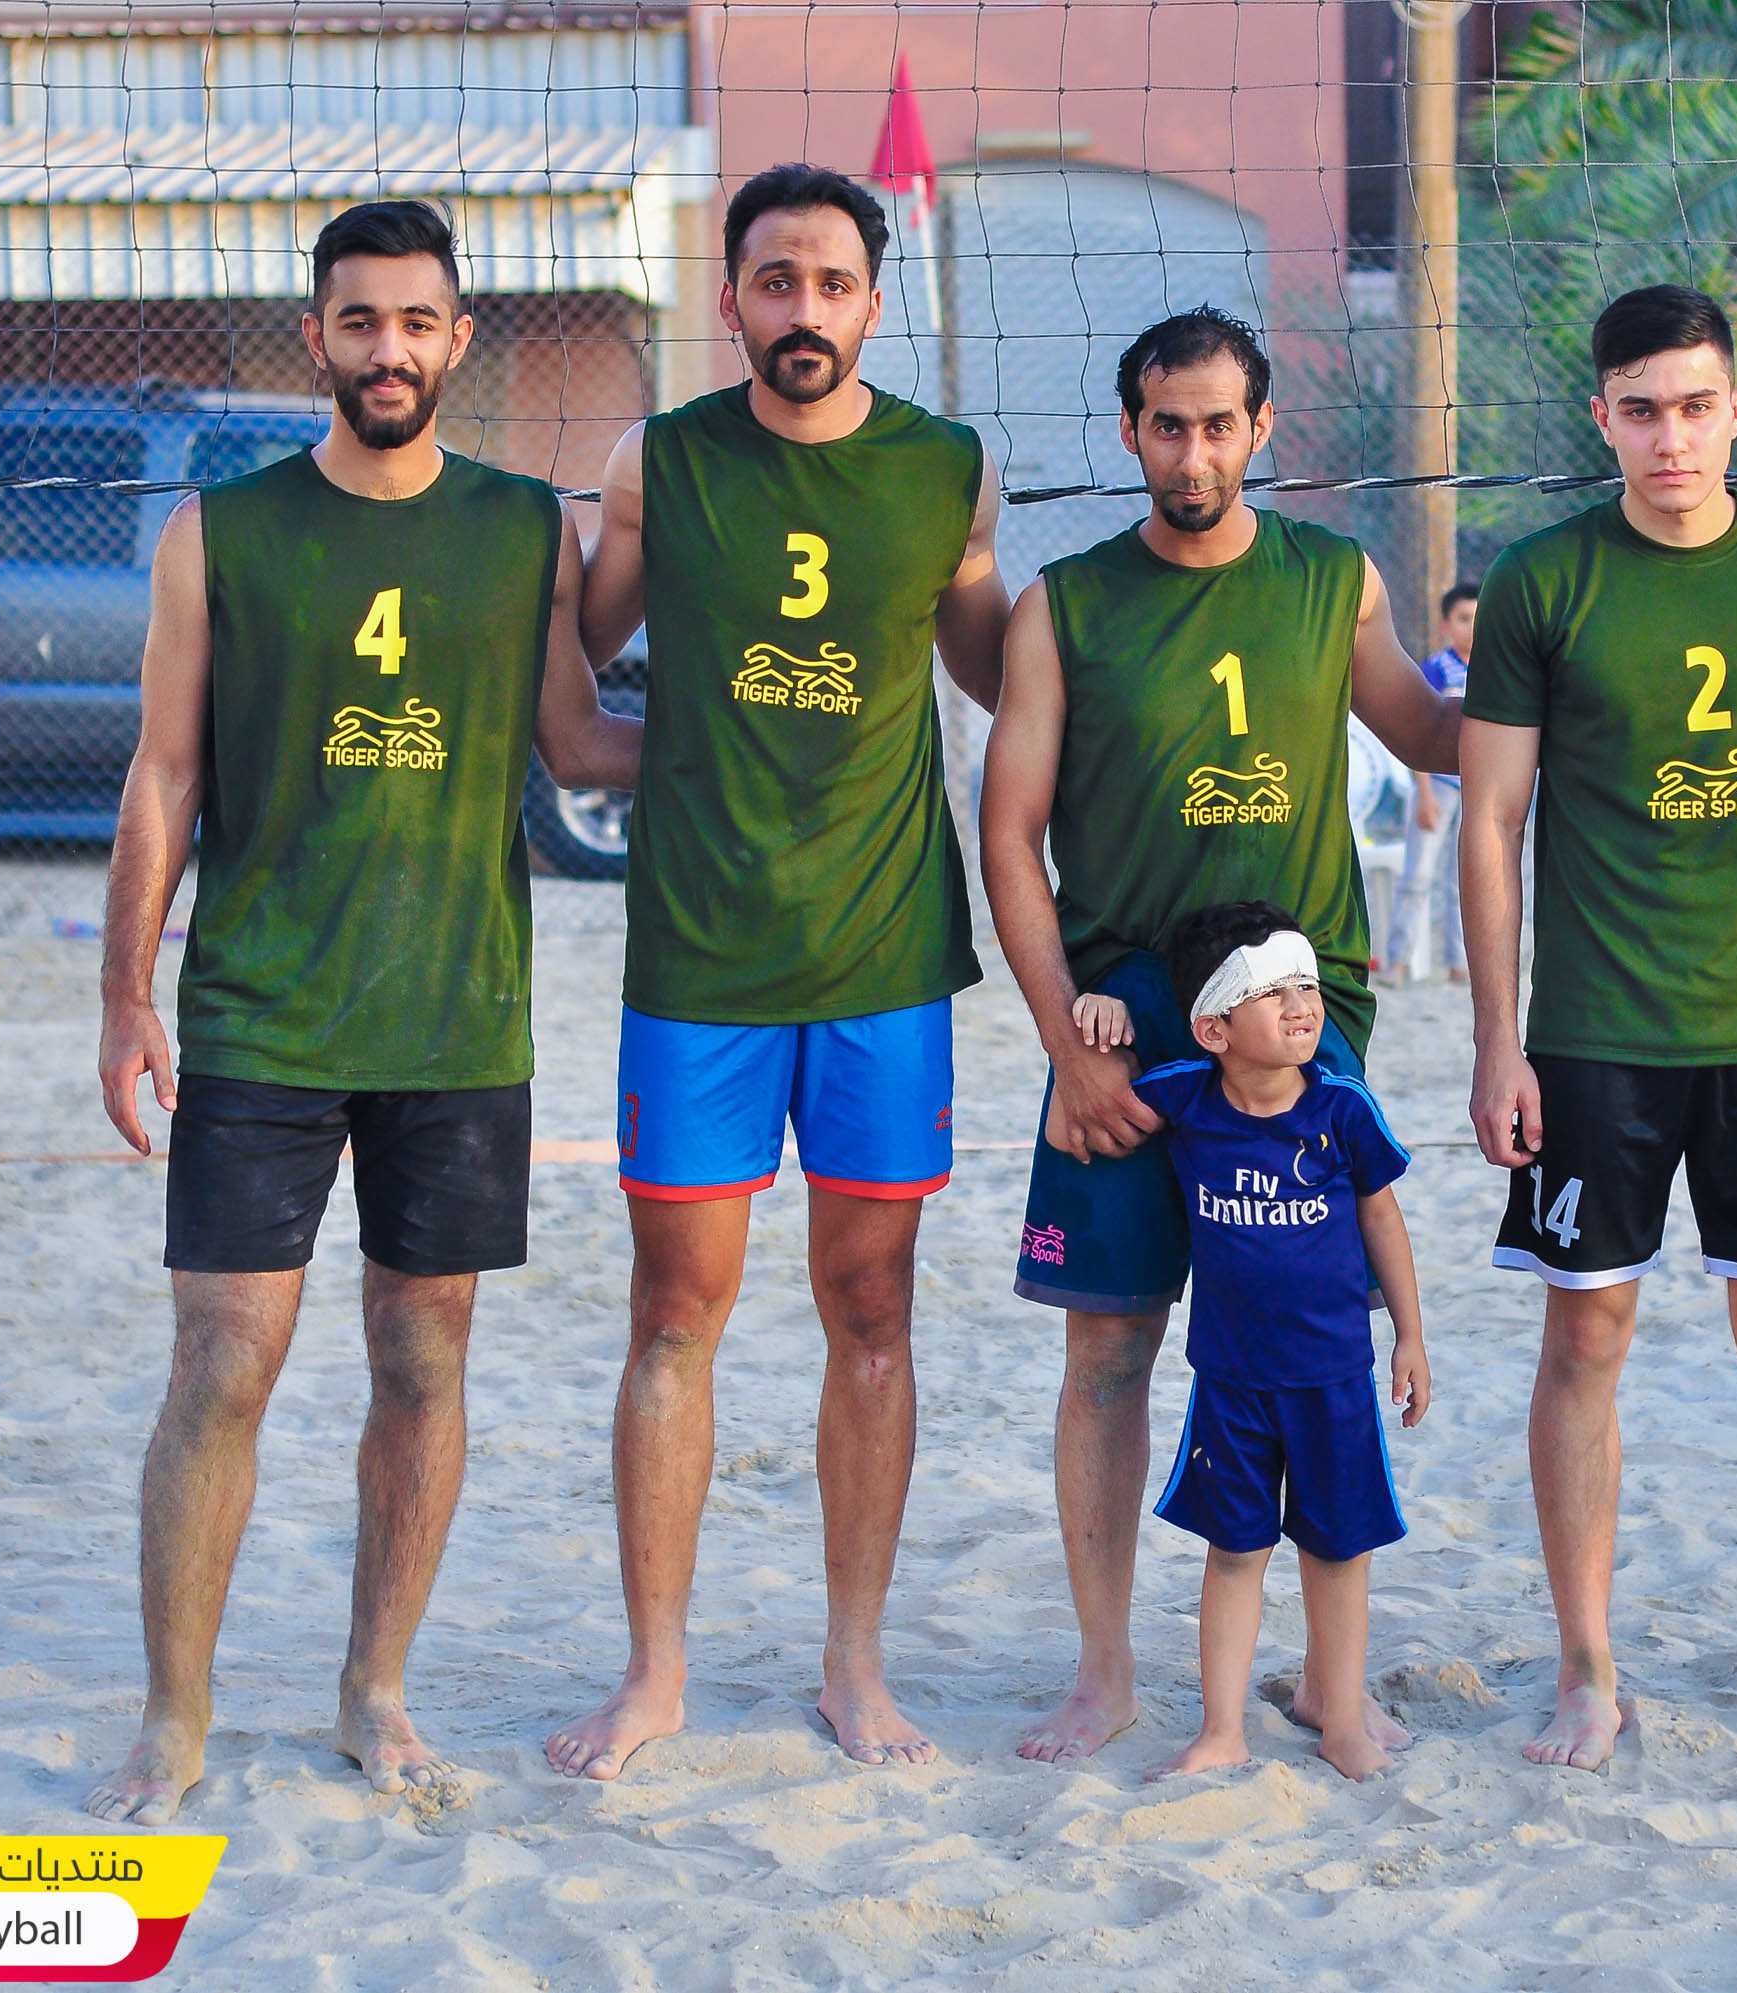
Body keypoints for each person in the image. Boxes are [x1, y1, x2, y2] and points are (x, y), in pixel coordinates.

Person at [84, 199, 641, 1826]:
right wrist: (123, 991)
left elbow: (578, 743)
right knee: (222, 1362)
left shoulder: (524, 527)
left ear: (458, 341)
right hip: (260, 1009)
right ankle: (176, 1715)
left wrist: (768, 732)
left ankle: (373, 1689)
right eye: (358, 320)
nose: (387, 349)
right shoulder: (222, 532)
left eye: (415, 322)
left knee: (421, 1354)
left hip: (456, 1014)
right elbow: (164, 772)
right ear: (315, 336)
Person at [544, 162, 1011, 1780]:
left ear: (873, 301)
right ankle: (656, 1670)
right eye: (772, 281)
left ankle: (855, 1663)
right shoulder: (661, 463)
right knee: (676, 1311)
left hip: (882, 953)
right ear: (731, 297)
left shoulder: (947, 469)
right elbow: (574, 665)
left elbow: (999, 669)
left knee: (870, 1307)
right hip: (701, 955)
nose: (802, 309)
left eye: (829, 282)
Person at [977, 305, 1460, 1764]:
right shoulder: (1066, 605)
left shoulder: (1333, 579)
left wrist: (1573, 673)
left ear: (1263, 430)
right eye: (1167, 426)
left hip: (1302, 1021)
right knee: (1110, 1349)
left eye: (1218, 425)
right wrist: (1067, 1045)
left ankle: (1330, 1681)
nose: (1193, 454)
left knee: (1319, 1352)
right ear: (1131, 432)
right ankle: (1107, 1671)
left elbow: (1433, 735)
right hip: (1129, 1026)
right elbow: (1007, 834)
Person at [1461, 284, 1737, 1774]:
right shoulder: (1543, 581)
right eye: (1642, 411)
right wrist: (1497, 1040)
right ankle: (1587, 1670)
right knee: (1585, 1333)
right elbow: (1493, 822)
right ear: (1602, 418)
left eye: (1696, 407)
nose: (1672, 437)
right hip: (1595, 1035)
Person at [1112, 901, 1429, 1785]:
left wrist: (1409, 1335)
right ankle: (1222, 1729)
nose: (1302, 1005)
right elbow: (1100, 1102)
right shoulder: (1186, 1096)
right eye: (1273, 991)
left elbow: (1383, 1216)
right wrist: (1101, 1015)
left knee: (1338, 1551)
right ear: (1214, 1027)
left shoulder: (1341, 1108)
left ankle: (1343, 1720)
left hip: (1334, 1379)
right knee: (1235, 1551)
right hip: (1231, 1383)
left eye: (1307, 985)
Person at [1383, 581, 1476, 985]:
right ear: (1445, 626)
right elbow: (1420, 732)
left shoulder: (1495, 668)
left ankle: (1460, 963)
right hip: (1437, 786)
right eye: (1463, 619)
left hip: (1476, 788)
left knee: (1465, 879)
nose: (1472, 627)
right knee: (1418, 875)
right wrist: (1423, 795)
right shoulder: (1436, 669)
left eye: (1480, 618)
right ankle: (1398, 961)